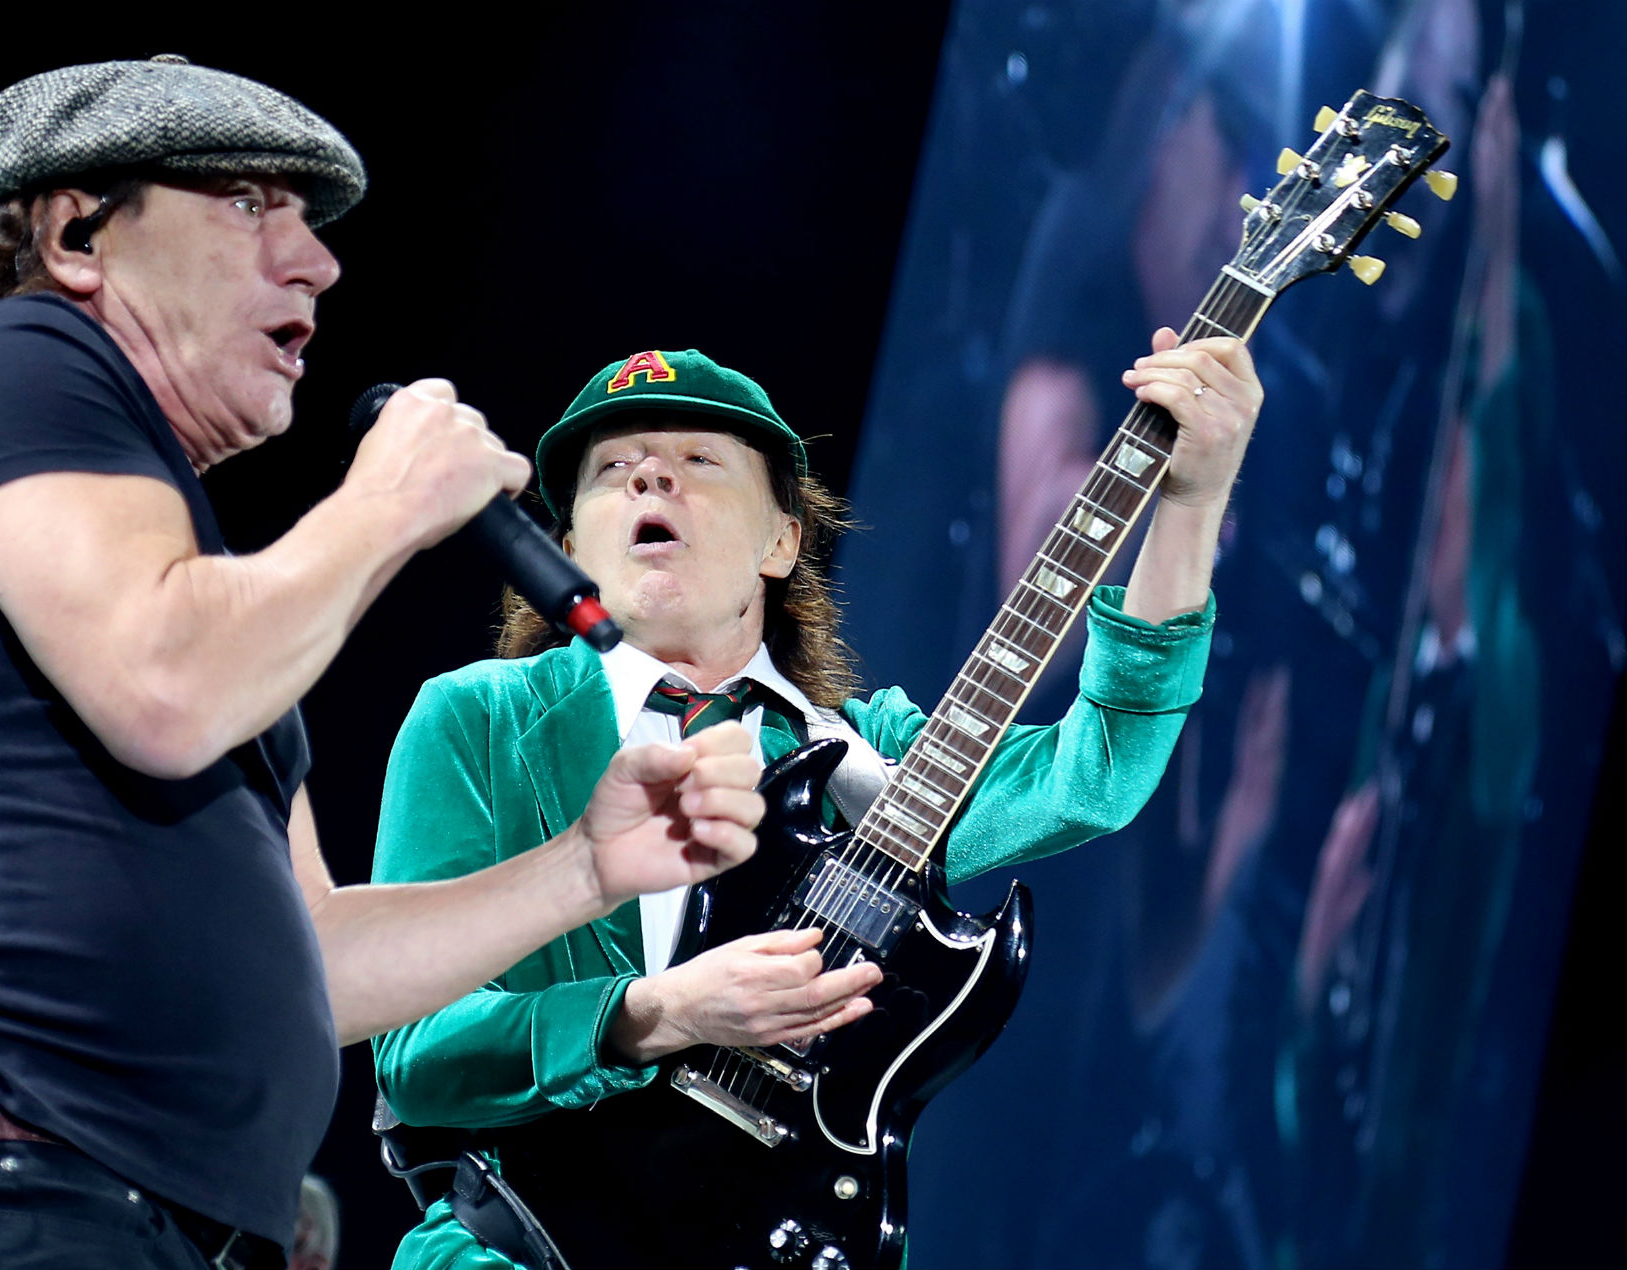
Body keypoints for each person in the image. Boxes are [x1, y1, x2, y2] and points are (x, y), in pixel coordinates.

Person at [0, 59, 766, 1270]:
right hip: (14, 1182)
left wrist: (585, 866)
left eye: (307, 220)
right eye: (249, 203)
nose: (316, 262)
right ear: (78, 233)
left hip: (152, 1218)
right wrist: (387, 502)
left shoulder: (211, 598)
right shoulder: (17, 358)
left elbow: (317, 959)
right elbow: (165, 688)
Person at [370, 342, 1262, 1268]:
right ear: (568, 552)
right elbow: (417, 1055)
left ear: (782, 543)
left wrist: (1192, 502)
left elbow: (1097, 771)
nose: (649, 477)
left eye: (698, 459)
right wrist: (660, 1011)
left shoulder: (871, 762)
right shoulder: (478, 720)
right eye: (612, 469)